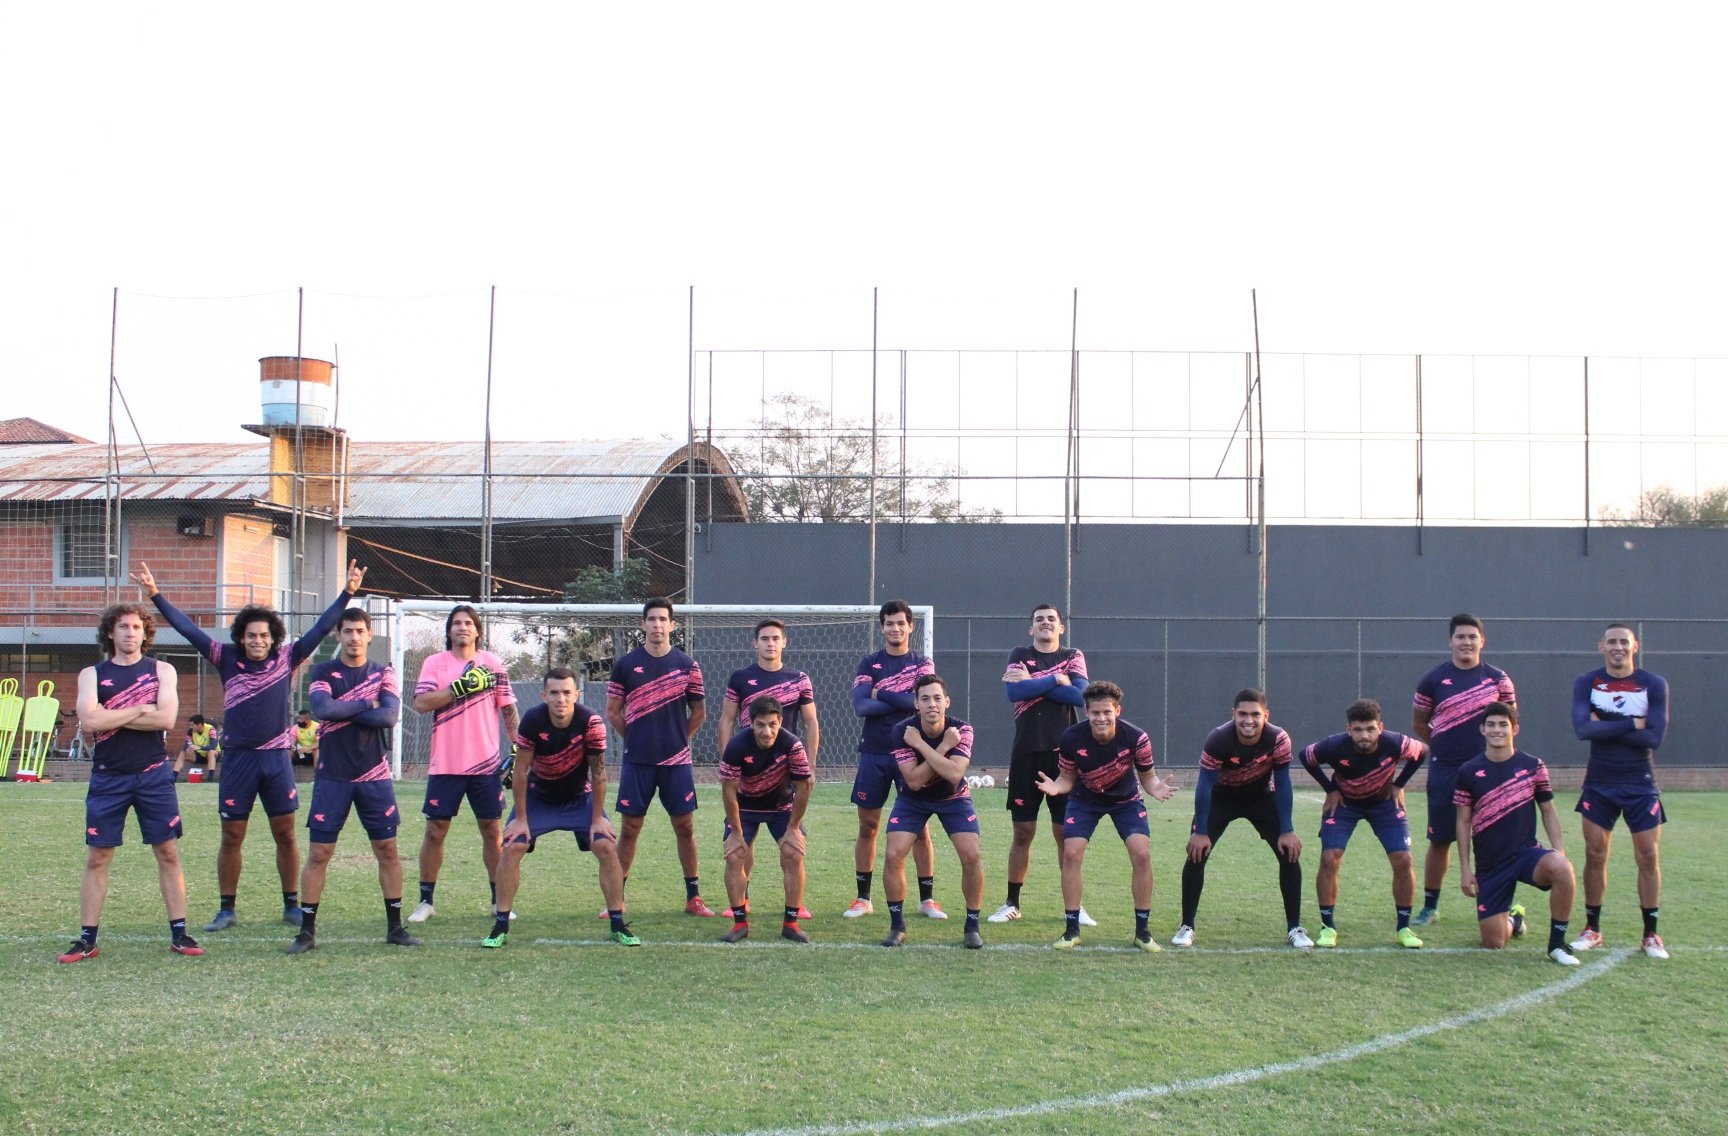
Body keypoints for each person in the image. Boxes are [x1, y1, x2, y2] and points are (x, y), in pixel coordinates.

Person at [135, 558, 366, 931]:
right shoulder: (225, 658)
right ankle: (227, 908)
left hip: (276, 760)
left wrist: (347, 593)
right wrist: (156, 595)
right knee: (232, 835)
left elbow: (323, 627)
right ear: (241, 637)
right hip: (239, 761)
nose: (258, 641)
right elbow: (187, 629)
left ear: (274, 637)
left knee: (285, 833)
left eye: (264, 635)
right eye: (251, 635)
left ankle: (291, 903)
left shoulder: (288, 658)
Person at [60, 603, 202, 962]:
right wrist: (140, 709)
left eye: (136, 627)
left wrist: (112, 716)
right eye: (122, 626)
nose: (130, 632)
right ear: (111, 632)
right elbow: (89, 721)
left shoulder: (162, 670)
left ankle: (180, 934)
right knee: (98, 857)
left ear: (145, 632)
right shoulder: (92, 674)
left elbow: (167, 718)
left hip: (153, 774)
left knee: (167, 852)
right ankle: (87, 939)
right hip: (109, 777)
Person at [288, 607, 419, 953]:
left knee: (387, 851)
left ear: (369, 634)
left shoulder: (384, 673)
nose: (354, 637)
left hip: (374, 776)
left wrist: (350, 708)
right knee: (319, 853)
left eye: (360, 631)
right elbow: (322, 710)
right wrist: (365, 702)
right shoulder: (322, 671)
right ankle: (306, 932)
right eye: (347, 631)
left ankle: (395, 928)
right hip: (332, 776)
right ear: (338, 635)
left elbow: (389, 716)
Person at [486, 667, 637, 948]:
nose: (561, 699)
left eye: (567, 692)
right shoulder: (531, 721)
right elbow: (520, 772)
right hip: (538, 796)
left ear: (576, 694)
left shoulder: (591, 722)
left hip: (580, 797)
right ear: (544, 695)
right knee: (512, 846)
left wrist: (596, 819)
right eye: (554, 693)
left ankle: (618, 923)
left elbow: (599, 773)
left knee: (605, 846)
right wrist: (520, 818)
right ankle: (500, 925)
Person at [1034, 680, 1175, 951]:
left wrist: (1156, 788)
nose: (1101, 718)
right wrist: (1056, 787)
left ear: (1117, 711)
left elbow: (1148, 777)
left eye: (1107, 712)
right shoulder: (1071, 737)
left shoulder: (1137, 737)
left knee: (1142, 853)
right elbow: (1066, 778)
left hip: (1126, 801)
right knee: (1071, 852)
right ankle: (1072, 929)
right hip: (1085, 801)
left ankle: (1142, 932)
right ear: (1086, 712)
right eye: (1095, 713)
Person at [1173, 688, 1311, 949]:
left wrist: (1287, 829)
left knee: (1289, 852)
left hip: (1260, 797)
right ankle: (1187, 925)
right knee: (1196, 853)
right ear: (1233, 714)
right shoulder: (1218, 739)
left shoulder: (1278, 738)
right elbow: (1204, 785)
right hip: (1221, 798)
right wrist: (1200, 830)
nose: (1249, 720)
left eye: (1255, 715)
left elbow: (1282, 782)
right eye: (1243, 714)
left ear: (1266, 715)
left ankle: (1295, 927)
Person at [407, 604, 519, 924]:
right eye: (456, 623)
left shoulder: (493, 664)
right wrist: (459, 687)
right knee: (435, 831)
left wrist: (520, 747)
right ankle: (426, 901)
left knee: (492, 831)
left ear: (477, 630)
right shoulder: (434, 663)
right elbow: (421, 703)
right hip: (445, 764)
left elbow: (509, 710)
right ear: (449, 631)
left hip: (485, 765)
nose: (462, 628)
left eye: (468, 623)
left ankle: (500, 901)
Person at [1568, 622, 1671, 959]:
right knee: (1595, 854)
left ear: (1635, 646)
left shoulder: (1653, 683)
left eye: (1624, 642)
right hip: (1599, 782)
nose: (1618, 647)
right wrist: (1632, 722)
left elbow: (1654, 737)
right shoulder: (1586, 682)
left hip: (1640, 781)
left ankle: (1651, 934)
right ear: (1602, 646)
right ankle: (1592, 928)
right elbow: (1583, 730)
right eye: (1611, 642)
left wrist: (1605, 724)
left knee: (1648, 855)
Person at [607, 597, 714, 916]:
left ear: (672, 625)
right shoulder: (626, 665)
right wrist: (637, 738)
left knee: (685, 827)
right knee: (629, 828)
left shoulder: (687, 666)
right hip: (637, 761)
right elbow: (613, 713)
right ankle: (616, 897)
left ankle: (694, 897)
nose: (656, 625)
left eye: (662, 619)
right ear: (643, 625)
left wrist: (679, 739)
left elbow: (699, 712)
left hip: (676, 763)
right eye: (651, 619)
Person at [991, 602, 1095, 928]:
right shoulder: (1018, 653)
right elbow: (1014, 692)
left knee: (1066, 835)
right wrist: (1057, 680)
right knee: (1023, 832)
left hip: (1064, 756)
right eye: (1039, 620)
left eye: (1052, 619)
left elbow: (1081, 697)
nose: (1046, 623)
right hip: (1026, 754)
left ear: (1061, 627)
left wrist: (1036, 679)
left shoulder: (1073, 654)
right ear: (1031, 628)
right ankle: (1012, 902)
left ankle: (1075, 907)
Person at [1410, 613, 1517, 927]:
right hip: (1445, 770)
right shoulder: (1433, 679)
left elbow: (1510, 724)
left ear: (1482, 641)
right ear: (1451, 641)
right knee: (1440, 839)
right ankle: (1430, 906)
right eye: (1460, 637)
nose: (1466, 642)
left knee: (1496, 839)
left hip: (1489, 771)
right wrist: (1443, 744)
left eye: (1472, 637)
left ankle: (1500, 903)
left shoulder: (1499, 679)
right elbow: (1419, 722)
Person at [1454, 702, 1580, 966]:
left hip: (1526, 854)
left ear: (1515, 729)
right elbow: (1463, 822)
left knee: (1563, 868)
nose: (1497, 730)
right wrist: (1466, 869)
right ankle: (1515, 919)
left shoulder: (1533, 766)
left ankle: (1557, 945)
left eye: (1503, 724)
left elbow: (1548, 811)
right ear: (1482, 729)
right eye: (1491, 725)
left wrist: (1559, 851)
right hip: (1491, 866)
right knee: (1494, 943)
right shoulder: (1468, 771)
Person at [1299, 699, 1429, 948]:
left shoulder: (1395, 743)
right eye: (1358, 730)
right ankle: (1328, 927)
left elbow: (1422, 751)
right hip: (1345, 805)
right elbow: (1306, 756)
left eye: (1370, 729)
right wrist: (1330, 789)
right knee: (1329, 857)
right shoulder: (1335, 746)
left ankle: (1404, 928)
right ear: (1349, 729)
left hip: (1384, 805)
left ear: (1381, 727)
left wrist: (1399, 784)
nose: (1364, 735)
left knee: (1404, 859)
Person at [715, 617, 819, 920]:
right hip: (748, 768)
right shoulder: (741, 678)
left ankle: (795, 904)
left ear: (784, 642)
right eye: (764, 638)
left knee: (792, 840)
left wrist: (809, 765)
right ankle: (741, 898)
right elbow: (726, 720)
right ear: (755, 643)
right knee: (743, 842)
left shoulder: (799, 678)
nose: (770, 643)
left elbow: (811, 722)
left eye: (775, 638)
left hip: (785, 771)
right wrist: (729, 762)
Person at [846, 599, 942, 921]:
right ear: (882, 627)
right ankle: (863, 898)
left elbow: (917, 705)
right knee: (868, 826)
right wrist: (900, 700)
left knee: (919, 829)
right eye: (889, 623)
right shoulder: (869, 662)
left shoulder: (922, 664)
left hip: (912, 753)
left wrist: (881, 694)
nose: (895, 628)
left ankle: (927, 900)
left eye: (901, 623)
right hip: (874, 751)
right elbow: (861, 707)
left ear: (911, 627)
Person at [881, 674, 985, 948]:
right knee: (893, 853)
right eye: (925, 699)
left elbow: (954, 774)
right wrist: (940, 747)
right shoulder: (902, 731)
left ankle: (972, 925)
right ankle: (897, 926)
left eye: (937, 698)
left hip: (954, 798)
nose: (931, 704)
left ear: (947, 701)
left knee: (972, 854)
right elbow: (913, 781)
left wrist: (923, 745)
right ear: (916, 704)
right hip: (913, 799)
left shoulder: (962, 729)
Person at [717, 698, 814, 944]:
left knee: (794, 853)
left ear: (781, 721)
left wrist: (793, 828)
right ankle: (740, 924)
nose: (767, 731)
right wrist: (736, 832)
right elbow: (729, 790)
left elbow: (804, 787)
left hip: (781, 808)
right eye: (760, 725)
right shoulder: (737, 745)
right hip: (745, 807)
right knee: (735, 855)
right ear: (751, 724)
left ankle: (790, 923)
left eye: (772, 724)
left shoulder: (792, 744)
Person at [174, 714, 220, 779]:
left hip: (213, 756)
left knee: (211, 752)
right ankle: (174, 776)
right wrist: (188, 748)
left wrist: (200, 747)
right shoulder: (190, 731)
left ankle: (210, 777)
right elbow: (186, 744)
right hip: (199, 756)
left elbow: (213, 746)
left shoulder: (211, 729)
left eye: (192, 725)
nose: (190, 727)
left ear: (200, 725)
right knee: (183, 752)